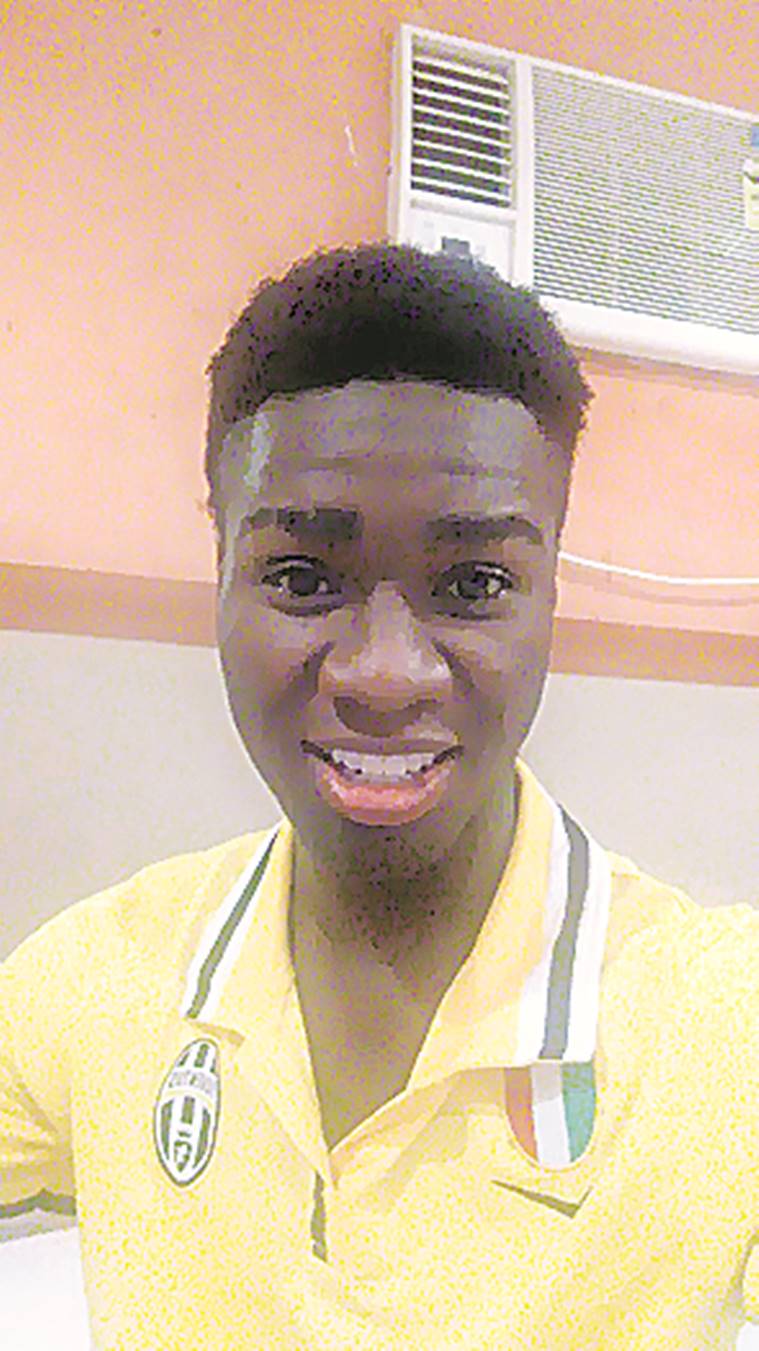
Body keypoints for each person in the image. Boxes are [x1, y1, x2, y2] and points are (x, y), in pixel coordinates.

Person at [1, 241, 757, 1349]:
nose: (385, 674)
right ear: (219, 569)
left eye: (475, 583)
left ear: (550, 591)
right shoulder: (96, 977)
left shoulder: (722, 1022)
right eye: (302, 578)